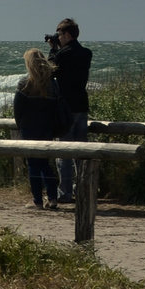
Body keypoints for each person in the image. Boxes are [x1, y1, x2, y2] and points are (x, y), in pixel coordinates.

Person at [48, 18, 92, 199]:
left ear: (67, 34)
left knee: (64, 152)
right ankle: (82, 190)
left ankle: (64, 192)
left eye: (59, 34)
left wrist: (53, 49)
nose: (58, 37)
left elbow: (50, 70)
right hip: (82, 105)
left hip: (66, 108)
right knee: (81, 152)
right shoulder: (86, 53)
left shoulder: (63, 54)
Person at [12, 48, 61, 208]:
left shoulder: (25, 83)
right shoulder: (52, 84)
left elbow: (17, 108)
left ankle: (37, 200)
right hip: (46, 127)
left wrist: (20, 125)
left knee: (33, 163)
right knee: (45, 162)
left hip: (29, 127)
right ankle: (53, 197)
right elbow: (55, 106)